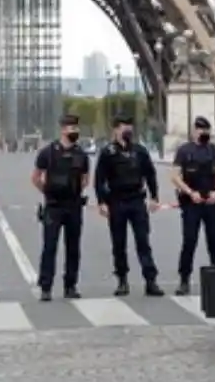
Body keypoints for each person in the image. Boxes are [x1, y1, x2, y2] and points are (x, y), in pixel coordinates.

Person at [94, 115, 165, 297]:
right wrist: (101, 202)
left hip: (137, 201)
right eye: (124, 127)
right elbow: (99, 179)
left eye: (130, 127)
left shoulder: (140, 151)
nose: (128, 130)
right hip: (116, 201)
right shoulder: (108, 153)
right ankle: (122, 280)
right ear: (115, 130)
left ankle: (151, 280)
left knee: (143, 242)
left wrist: (154, 196)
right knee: (119, 244)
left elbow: (150, 174)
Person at [32, 114, 89, 301]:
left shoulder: (81, 154)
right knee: (50, 247)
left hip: (73, 206)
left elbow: (85, 179)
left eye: (76, 129)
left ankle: (70, 285)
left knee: (73, 248)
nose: (75, 132)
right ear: (63, 130)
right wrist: (48, 192)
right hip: (53, 206)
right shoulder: (47, 152)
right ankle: (46, 287)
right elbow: (35, 177)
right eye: (72, 129)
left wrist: (74, 192)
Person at [171, 116, 215, 296]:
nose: (203, 133)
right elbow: (175, 176)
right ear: (193, 131)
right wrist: (190, 192)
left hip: (211, 202)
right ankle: (184, 280)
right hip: (191, 203)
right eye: (200, 130)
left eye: (206, 130)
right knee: (189, 241)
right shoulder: (184, 151)